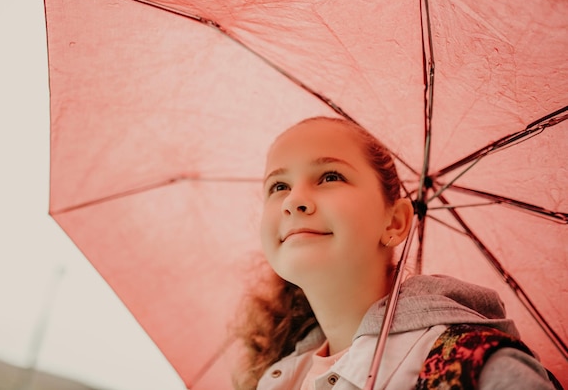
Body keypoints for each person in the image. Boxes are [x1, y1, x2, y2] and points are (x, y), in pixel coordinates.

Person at [233, 116, 560, 390]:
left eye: (331, 176)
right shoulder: (277, 381)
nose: (293, 201)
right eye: (279, 187)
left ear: (396, 222)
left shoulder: (478, 367)